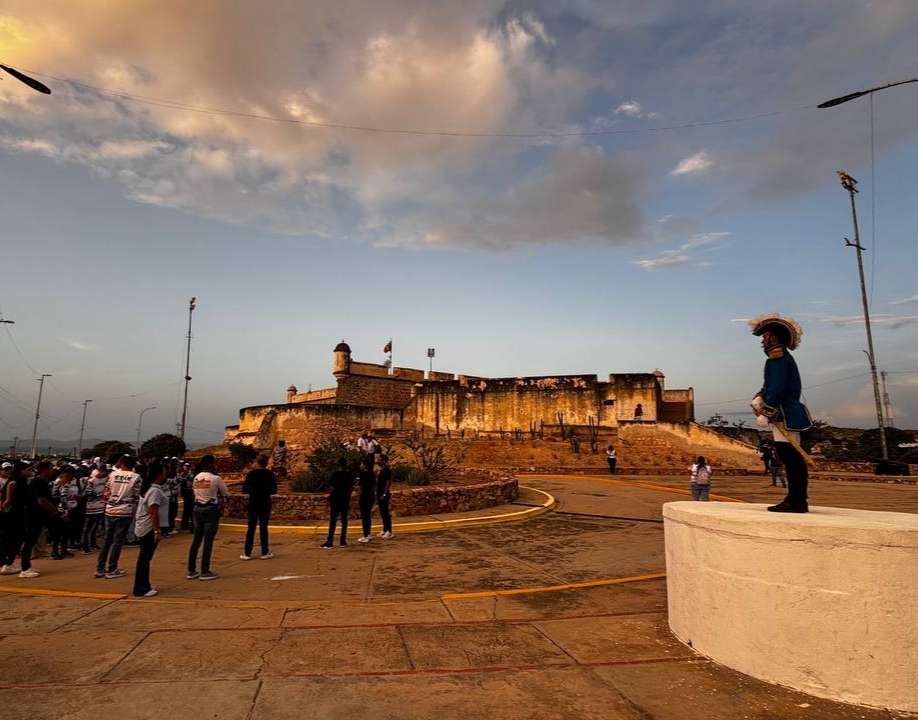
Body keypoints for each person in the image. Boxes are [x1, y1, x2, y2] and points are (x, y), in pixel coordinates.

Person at [749, 314, 812, 513]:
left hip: (785, 413)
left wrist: (766, 411)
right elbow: (769, 386)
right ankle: (796, 499)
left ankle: (797, 500)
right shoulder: (778, 358)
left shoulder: (778, 358)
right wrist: (760, 395)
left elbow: (778, 388)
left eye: (765, 336)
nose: (763, 340)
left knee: (791, 457)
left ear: (774, 338)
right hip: (784, 412)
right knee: (789, 456)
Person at [95, 455, 141, 579]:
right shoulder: (135, 477)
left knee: (107, 539)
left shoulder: (112, 475)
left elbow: (106, 493)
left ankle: (100, 568)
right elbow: (137, 495)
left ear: (121, 463)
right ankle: (112, 568)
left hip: (110, 509)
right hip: (125, 510)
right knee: (118, 541)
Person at [187, 454, 228, 580]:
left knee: (196, 540)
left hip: (197, 508)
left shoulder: (197, 478)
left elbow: (195, 492)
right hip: (210, 509)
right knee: (208, 541)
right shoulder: (216, 478)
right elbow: (226, 493)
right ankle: (205, 571)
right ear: (211, 464)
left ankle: (191, 570)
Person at [19, 460, 60, 578]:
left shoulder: (43, 482)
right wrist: (53, 510)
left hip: (38, 515)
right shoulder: (38, 482)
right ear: (44, 470)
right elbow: (41, 500)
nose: (52, 471)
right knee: (29, 541)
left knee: (32, 540)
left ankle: (27, 566)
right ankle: (25, 568)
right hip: (33, 515)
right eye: (50, 469)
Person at [132, 461, 165, 597]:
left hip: (143, 525)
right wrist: (157, 530)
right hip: (149, 527)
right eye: (164, 471)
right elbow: (153, 511)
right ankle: (141, 588)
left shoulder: (148, 488)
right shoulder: (155, 491)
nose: (166, 474)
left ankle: (144, 584)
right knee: (145, 558)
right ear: (159, 474)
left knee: (145, 557)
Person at [240, 454, 277, 560]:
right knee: (263, 528)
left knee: (251, 528)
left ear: (257, 462)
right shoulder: (270, 474)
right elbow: (273, 490)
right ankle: (264, 552)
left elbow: (244, 490)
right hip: (265, 502)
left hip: (253, 503)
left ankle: (247, 553)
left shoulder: (251, 474)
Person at [0, 461, 27, 575]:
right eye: (5, 469)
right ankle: (6, 563)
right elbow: (7, 501)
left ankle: (6, 562)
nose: (8, 471)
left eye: (9, 469)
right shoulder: (13, 482)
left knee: (10, 538)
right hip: (10, 514)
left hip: (12, 514)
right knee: (11, 538)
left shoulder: (14, 481)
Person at [321, 457, 352, 549]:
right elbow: (351, 488)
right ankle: (343, 541)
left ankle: (330, 541)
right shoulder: (349, 475)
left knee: (333, 521)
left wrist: (330, 498)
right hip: (345, 499)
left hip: (336, 499)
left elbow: (332, 488)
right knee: (344, 521)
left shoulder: (335, 475)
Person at [50, 466, 79, 559]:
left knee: (66, 531)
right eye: (71, 474)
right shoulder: (61, 482)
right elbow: (61, 498)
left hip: (70, 508)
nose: (73, 476)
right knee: (58, 532)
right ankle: (55, 552)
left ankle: (63, 550)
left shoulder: (72, 481)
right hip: (61, 510)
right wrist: (64, 513)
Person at [82, 465, 109, 552]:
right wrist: (98, 495)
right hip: (92, 506)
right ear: (100, 471)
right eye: (104, 472)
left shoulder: (105, 479)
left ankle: (93, 543)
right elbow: (87, 492)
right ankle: (85, 545)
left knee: (96, 526)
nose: (105, 473)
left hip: (100, 506)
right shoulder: (91, 480)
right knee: (89, 527)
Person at [356, 458, 376, 543]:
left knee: (364, 517)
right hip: (371, 496)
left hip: (364, 497)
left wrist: (358, 498)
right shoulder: (372, 474)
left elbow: (361, 487)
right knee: (368, 516)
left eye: (361, 464)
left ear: (365, 465)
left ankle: (365, 535)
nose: (360, 465)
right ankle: (368, 534)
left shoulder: (363, 474)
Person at [375, 454, 393, 539]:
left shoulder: (387, 470)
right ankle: (385, 529)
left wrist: (384, 494)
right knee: (382, 512)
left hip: (384, 494)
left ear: (384, 461)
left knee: (386, 513)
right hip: (380, 493)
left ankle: (389, 531)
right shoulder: (381, 470)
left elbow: (388, 483)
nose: (377, 460)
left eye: (379, 459)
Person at [178, 462, 194, 531]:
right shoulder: (182, 475)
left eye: (188, 466)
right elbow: (181, 482)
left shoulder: (190, 474)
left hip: (190, 492)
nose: (186, 468)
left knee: (190, 510)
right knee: (187, 510)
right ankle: (185, 525)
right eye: (185, 466)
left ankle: (188, 524)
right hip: (186, 493)